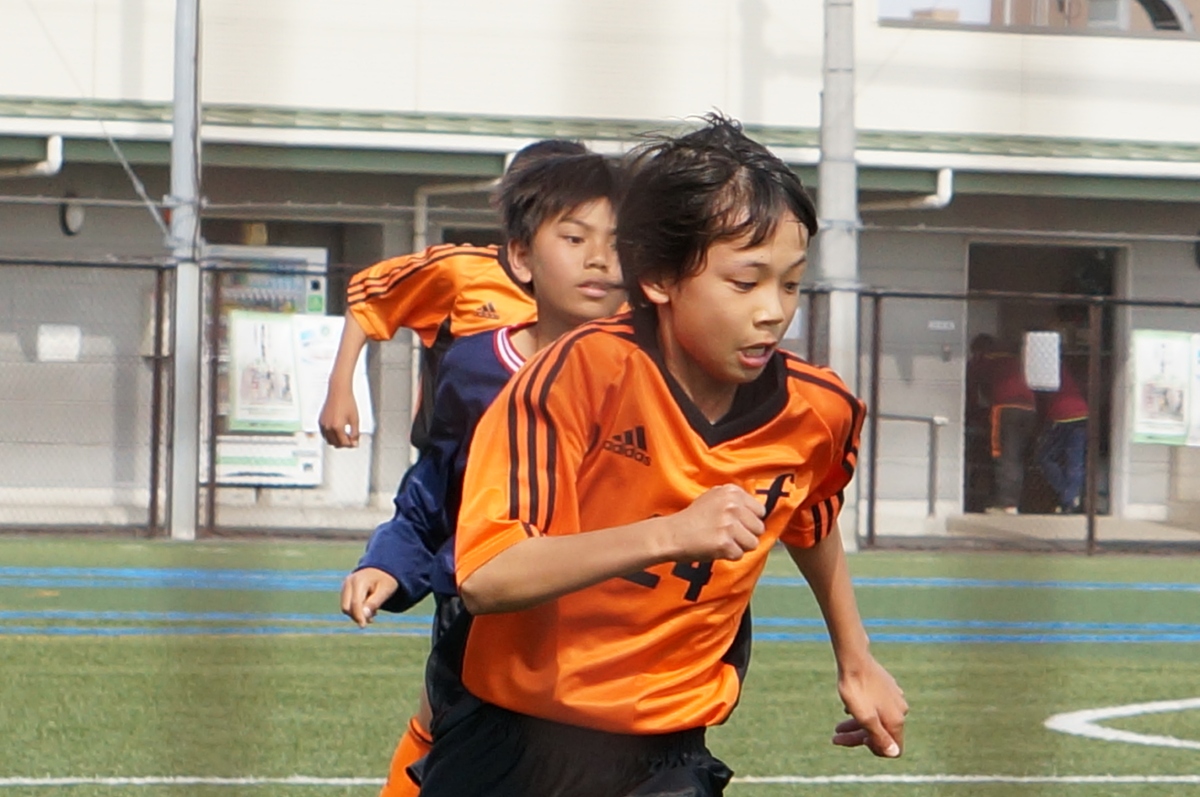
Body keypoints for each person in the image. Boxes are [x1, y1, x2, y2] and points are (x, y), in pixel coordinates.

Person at [417, 115, 907, 797]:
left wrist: (856, 659)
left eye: (791, 284)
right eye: (745, 283)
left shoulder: (819, 410)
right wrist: (671, 533)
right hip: (513, 737)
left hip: (666, 751)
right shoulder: (578, 375)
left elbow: (810, 515)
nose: (773, 311)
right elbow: (488, 574)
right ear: (657, 279)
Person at [340, 151, 626, 797]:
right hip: (482, 618)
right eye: (575, 239)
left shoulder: (660, 376)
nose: (599, 260)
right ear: (521, 257)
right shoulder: (476, 367)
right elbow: (439, 484)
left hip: (609, 631)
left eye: (618, 243)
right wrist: (390, 561)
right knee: (445, 735)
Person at [317, 139, 587, 450]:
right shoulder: (459, 271)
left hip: (551, 463)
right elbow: (367, 302)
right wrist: (339, 389)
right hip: (452, 467)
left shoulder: (603, 294)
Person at [967, 333, 1037, 515]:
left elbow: (971, 393)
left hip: (1005, 408)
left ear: (978, 350)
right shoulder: (1015, 360)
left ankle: (1007, 504)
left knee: (1003, 454)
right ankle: (1015, 501)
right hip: (1030, 408)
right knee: (1016, 456)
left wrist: (974, 414)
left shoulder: (982, 361)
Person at [1037, 362, 1088, 514]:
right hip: (1082, 413)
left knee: (1045, 458)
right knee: (1075, 461)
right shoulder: (1062, 369)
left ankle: (1067, 495)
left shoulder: (1042, 373)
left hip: (1061, 415)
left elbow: (1043, 401)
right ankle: (1072, 498)